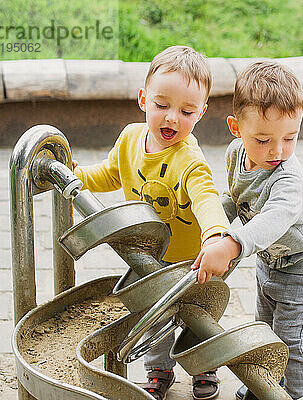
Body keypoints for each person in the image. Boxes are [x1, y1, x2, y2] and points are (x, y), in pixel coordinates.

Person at [74, 45, 228, 400]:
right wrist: (78, 176)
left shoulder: (190, 160)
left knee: (196, 316)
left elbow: (206, 197)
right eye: (162, 106)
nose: (172, 118)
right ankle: (159, 370)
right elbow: (110, 173)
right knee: (153, 316)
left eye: (186, 111)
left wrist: (217, 236)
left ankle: (205, 365)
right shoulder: (130, 138)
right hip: (148, 258)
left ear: (201, 112)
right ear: (143, 99)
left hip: (193, 262)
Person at [192, 61, 303, 400]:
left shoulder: (288, 179)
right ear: (236, 128)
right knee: (264, 331)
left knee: (291, 340)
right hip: (269, 261)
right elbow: (236, 199)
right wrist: (212, 226)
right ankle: (264, 388)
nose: (277, 151)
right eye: (263, 139)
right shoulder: (236, 154)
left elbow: (272, 218)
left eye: (290, 137)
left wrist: (231, 245)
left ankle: (294, 395)